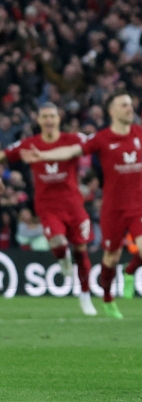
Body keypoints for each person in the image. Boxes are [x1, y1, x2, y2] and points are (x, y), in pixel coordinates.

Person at [24, 91, 142, 318]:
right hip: (112, 209)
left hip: (138, 207)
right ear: (112, 111)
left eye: (130, 104)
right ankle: (107, 299)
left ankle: (129, 271)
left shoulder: (139, 132)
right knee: (110, 258)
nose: (129, 108)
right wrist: (44, 156)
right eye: (124, 105)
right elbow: (72, 151)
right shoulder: (102, 138)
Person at [0, 104, 96, 315]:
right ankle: (63, 259)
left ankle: (85, 296)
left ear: (59, 118)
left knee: (81, 251)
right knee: (59, 243)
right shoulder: (30, 144)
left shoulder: (72, 140)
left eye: (52, 116)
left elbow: (99, 143)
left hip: (73, 205)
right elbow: (4, 155)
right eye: (45, 117)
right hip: (48, 207)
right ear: (39, 121)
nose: (49, 120)